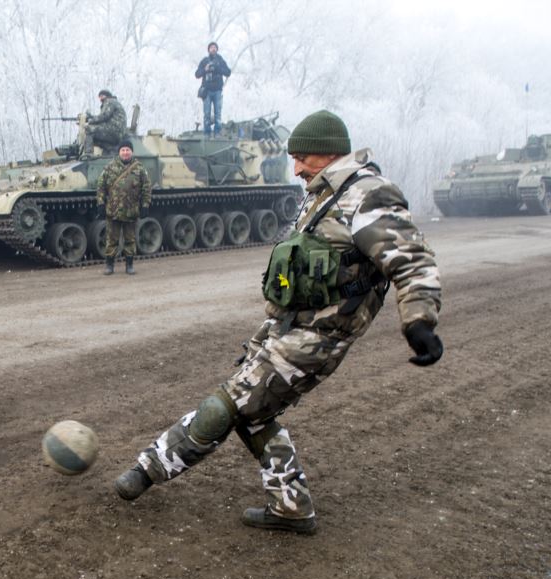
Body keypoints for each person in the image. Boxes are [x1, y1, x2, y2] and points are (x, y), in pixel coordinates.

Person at [113, 110, 444, 535]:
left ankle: (146, 470)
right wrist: (261, 339)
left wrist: (419, 321)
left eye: (303, 158)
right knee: (253, 416)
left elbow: (413, 260)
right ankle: (291, 506)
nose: (296, 168)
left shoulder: (367, 195)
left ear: (328, 153)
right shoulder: (324, 194)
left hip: (321, 337)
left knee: (225, 406)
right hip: (289, 327)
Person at [95, 140, 151, 275]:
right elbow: (101, 187)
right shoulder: (109, 168)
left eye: (128, 150)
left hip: (131, 211)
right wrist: (100, 203)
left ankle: (129, 265)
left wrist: (145, 205)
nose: (125, 152)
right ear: (119, 152)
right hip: (113, 211)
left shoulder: (139, 169)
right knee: (111, 240)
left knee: (130, 239)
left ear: (131, 152)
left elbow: (146, 188)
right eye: (123, 150)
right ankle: (109, 266)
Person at [195, 42, 231, 136]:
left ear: (217, 49)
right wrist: (205, 70)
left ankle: (217, 132)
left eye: (215, 47)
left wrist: (217, 68)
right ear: (208, 49)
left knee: (217, 113)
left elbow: (228, 72)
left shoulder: (220, 60)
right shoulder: (204, 61)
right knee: (206, 113)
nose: (213, 49)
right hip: (207, 91)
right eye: (211, 47)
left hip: (217, 91)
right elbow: (197, 74)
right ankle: (207, 132)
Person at [83, 89, 127, 156]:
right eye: (99, 96)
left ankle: (88, 154)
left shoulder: (110, 101)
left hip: (113, 129)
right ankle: (111, 150)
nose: (100, 98)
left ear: (107, 96)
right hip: (117, 133)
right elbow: (104, 117)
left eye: (102, 95)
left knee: (89, 129)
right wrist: (93, 118)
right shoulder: (114, 102)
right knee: (95, 139)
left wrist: (90, 121)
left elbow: (104, 116)